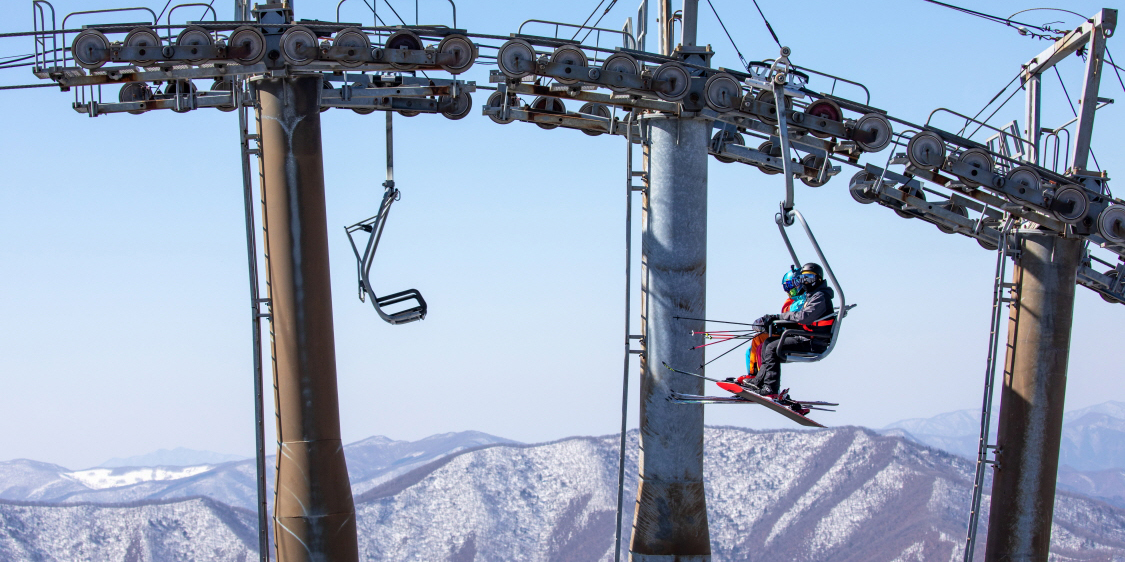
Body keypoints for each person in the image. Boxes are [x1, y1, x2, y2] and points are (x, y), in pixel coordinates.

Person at [740, 263, 836, 412]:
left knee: (772, 347)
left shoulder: (820, 297)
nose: (806, 282)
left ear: (818, 279)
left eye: (809, 278)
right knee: (769, 342)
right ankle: (759, 382)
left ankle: (769, 388)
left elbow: (804, 317)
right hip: (808, 336)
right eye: (803, 278)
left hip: (814, 341)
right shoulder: (813, 295)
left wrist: (778, 317)